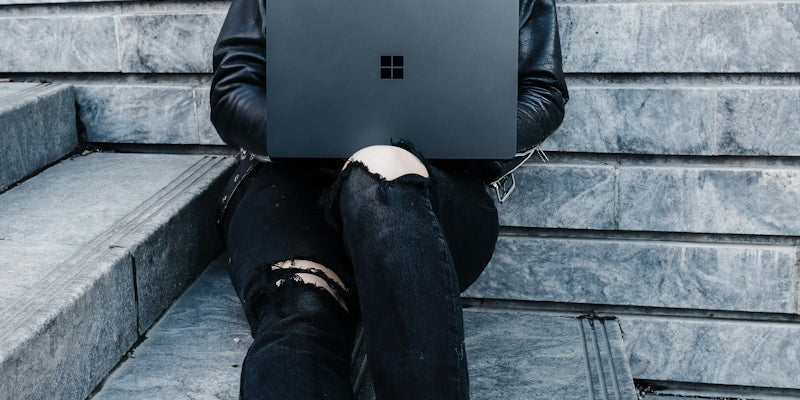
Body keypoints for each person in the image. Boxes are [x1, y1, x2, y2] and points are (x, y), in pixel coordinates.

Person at [210, 0, 568, 398]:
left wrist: (451, 137)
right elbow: (232, 92)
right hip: (294, 190)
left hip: (430, 192)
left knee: (381, 177)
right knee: (298, 313)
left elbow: (542, 92)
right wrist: (319, 135)